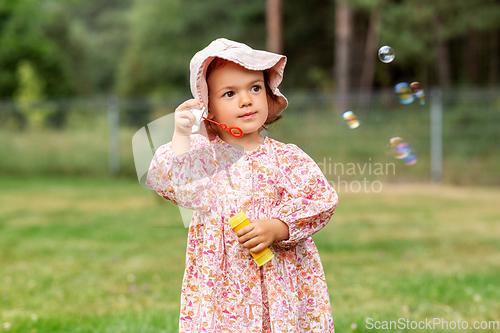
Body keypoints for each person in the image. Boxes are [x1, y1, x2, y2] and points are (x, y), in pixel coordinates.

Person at [147, 38, 338, 333]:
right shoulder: (203, 156)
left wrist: (278, 227)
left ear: (269, 94)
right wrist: (182, 135)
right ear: (207, 108)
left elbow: (320, 200)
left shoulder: (286, 157)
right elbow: (172, 180)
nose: (246, 99)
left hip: (280, 278)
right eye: (229, 93)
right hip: (223, 284)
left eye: (255, 88)